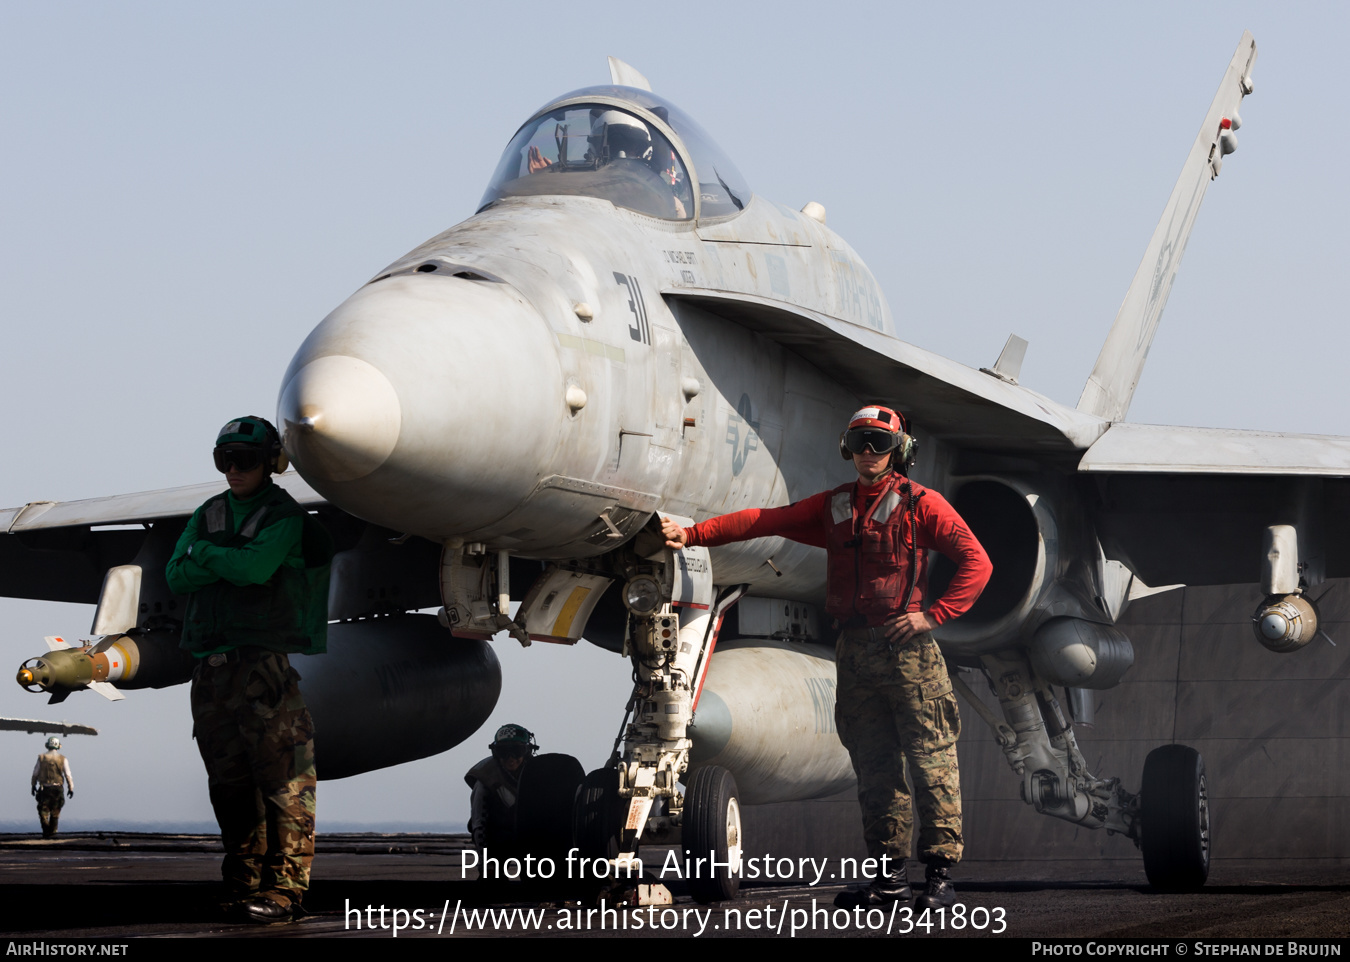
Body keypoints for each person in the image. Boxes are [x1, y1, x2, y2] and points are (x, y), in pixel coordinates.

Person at [661, 405, 992, 911]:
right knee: (875, 770)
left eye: (879, 443)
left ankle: (940, 878)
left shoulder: (922, 504)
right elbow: (761, 521)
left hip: (910, 654)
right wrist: (693, 535)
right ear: (847, 447)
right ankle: (890, 882)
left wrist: (934, 616)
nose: (868, 452)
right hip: (855, 653)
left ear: (898, 451)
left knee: (932, 764)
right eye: (860, 442)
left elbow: (977, 561)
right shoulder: (834, 507)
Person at [165, 416, 331, 924]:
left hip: (263, 669)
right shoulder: (208, 511)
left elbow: (253, 569)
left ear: (272, 464)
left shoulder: (283, 516)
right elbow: (175, 575)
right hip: (212, 670)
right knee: (229, 785)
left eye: (246, 461)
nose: (234, 470)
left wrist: (207, 556)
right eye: (225, 460)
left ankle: (286, 892)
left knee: (285, 784)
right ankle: (242, 884)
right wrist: (223, 559)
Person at [464, 723, 539, 856]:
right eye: (504, 752)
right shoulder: (486, 776)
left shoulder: (538, 773)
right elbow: (479, 823)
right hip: (498, 840)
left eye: (517, 751)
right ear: (496, 753)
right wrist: (486, 864)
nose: (510, 758)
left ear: (527, 751)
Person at [31, 736, 74, 837]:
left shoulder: (41, 757)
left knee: (43, 812)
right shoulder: (62, 759)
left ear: (47, 745)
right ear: (58, 746)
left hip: (44, 789)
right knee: (55, 812)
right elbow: (68, 774)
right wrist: (70, 788)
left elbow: (35, 773)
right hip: (57, 789)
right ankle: (53, 832)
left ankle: (46, 832)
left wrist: (33, 785)